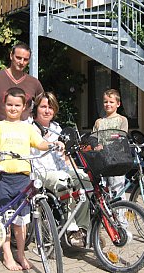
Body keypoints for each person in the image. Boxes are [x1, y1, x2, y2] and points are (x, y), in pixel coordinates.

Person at [0, 87, 63, 271]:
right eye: (10, 104)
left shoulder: (27, 128)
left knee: (21, 222)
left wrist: (53, 144)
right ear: (4, 105)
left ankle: (20, 253)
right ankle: (7, 255)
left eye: (17, 105)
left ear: (24, 108)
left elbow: (40, 143)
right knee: (5, 219)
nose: (13, 108)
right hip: (3, 177)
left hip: (23, 178)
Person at [30, 92, 91, 247]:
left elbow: (64, 156)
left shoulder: (57, 128)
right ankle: (71, 229)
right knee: (64, 182)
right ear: (36, 108)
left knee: (84, 179)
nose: (47, 111)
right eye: (43, 107)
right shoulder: (29, 127)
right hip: (41, 172)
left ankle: (83, 229)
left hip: (61, 169)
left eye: (50, 107)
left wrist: (75, 168)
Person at [93, 88, 129, 200]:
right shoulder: (99, 121)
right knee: (103, 191)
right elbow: (93, 137)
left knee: (117, 191)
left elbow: (121, 139)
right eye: (105, 101)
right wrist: (95, 146)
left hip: (116, 161)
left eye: (111, 102)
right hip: (101, 161)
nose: (108, 104)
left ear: (118, 104)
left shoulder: (122, 120)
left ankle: (120, 216)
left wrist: (106, 147)